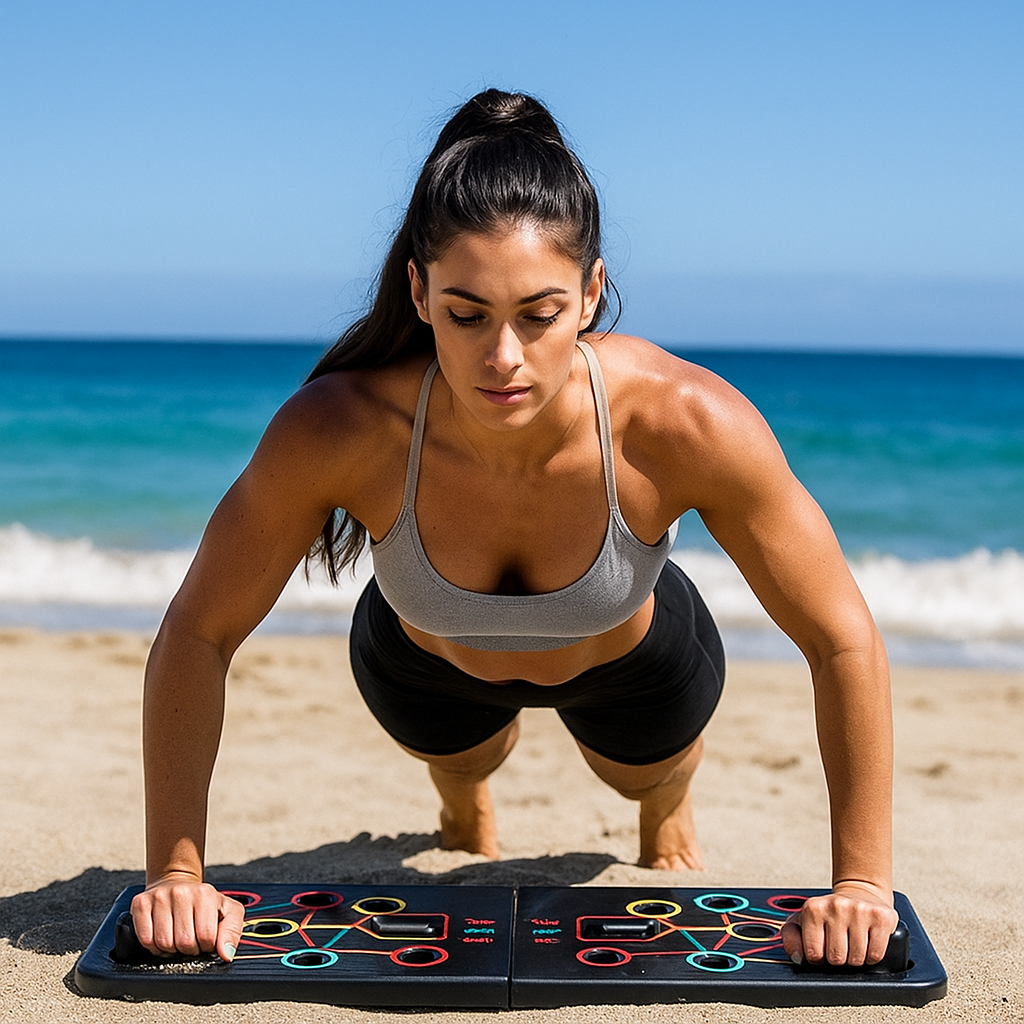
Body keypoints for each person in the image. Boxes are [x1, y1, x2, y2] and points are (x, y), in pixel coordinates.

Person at [131, 89, 897, 969]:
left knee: (640, 775)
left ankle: (665, 802)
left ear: (591, 291)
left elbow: (841, 637)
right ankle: (464, 803)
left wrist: (862, 886)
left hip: (631, 667)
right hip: (424, 664)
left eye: (539, 315)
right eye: (467, 314)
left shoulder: (682, 422)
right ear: (418, 292)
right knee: (463, 764)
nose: (503, 357)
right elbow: (199, 629)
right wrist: (177, 872)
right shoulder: (343, 429)